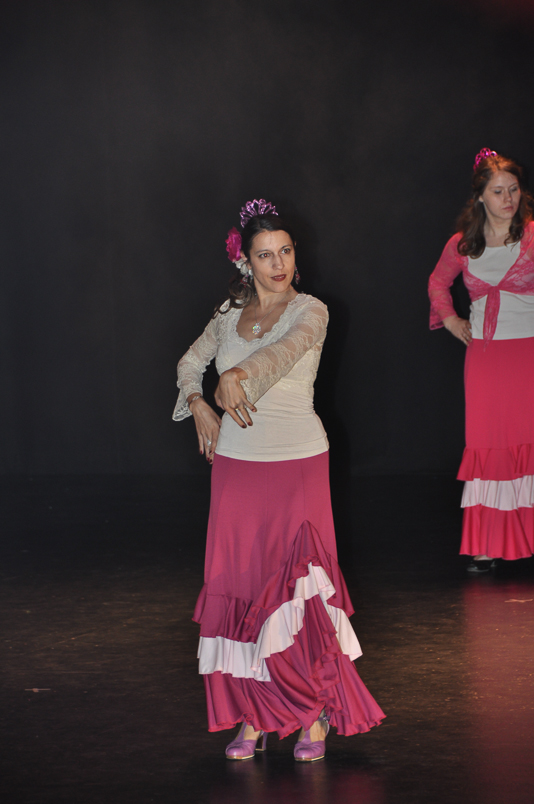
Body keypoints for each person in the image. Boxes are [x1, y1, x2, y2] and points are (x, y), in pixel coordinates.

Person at [173, 199, 384, 760]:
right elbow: (189, 364)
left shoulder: (311, 310)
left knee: (295, 591)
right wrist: (197, 401)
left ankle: (313, 713)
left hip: (297, 463)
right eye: (265, 255)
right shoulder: (227, 314)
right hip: (236, 466)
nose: (278, 264)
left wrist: (238, 373)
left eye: (285, 251)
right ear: (245, 262)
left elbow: (282, 354)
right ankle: (254, 714)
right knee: (242, 586)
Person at [428, 149, 534, 573]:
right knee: (490, 446)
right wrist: (451, 319)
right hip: (486, 359)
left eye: (514, 189)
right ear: (480, 197)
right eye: (498, 191)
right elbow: (437, 283)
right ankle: (489, 542)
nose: (508, 199)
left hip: (528, 354)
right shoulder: (463, 244)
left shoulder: (531, 237)